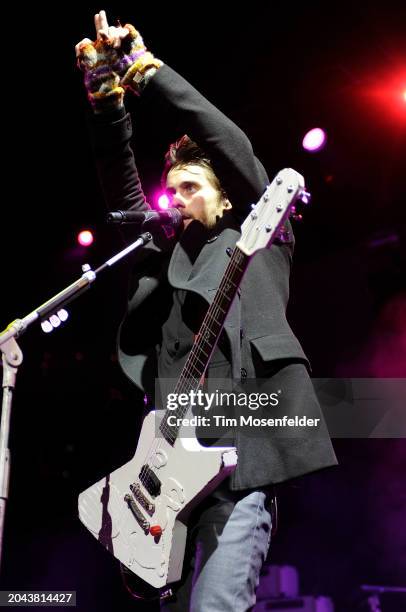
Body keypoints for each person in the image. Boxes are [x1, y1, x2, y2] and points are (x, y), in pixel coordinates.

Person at [76, 10, 337, 611]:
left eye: (192, 184)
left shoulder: (259, 239)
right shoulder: (163, 255)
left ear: (225, 195)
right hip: (168, 475)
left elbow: (230, 141)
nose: (178, 196)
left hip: (239, 467)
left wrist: (145, 71)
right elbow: (121, 191)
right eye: (174, 186)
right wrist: (107, 102)